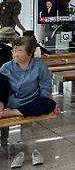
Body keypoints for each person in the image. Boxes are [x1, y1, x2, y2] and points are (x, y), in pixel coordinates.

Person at [0, 37, 56, 168]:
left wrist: (48, 102)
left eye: (19, 50)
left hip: (30, 103)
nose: (15, 54)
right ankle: (3, 143)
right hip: (9, 102)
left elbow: (45, 88)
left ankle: (27, 151)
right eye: (14, 50)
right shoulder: (6, 67)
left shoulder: (40, 66)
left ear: (30, 53)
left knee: (49, 104)